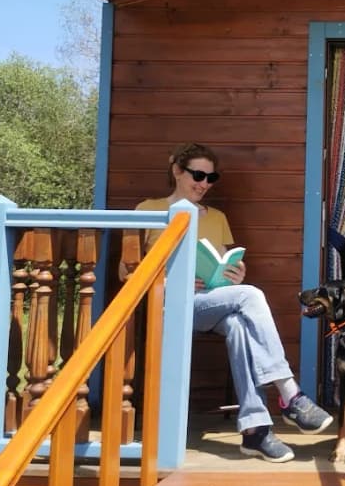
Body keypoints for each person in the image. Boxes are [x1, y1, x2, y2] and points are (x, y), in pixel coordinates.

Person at [129, 142, 333, 463]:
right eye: (198, 175)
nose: (204, 184)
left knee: (239, 324)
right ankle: (289, 393)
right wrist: (171, 280)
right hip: (170, 303)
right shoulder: (148, 209)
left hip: (211, 301)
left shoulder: (217, 217)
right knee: (252, 295)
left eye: (211, 178)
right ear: (177, 171)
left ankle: (255, 430)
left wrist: (234, 275)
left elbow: (222, 264)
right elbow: (127, 272)